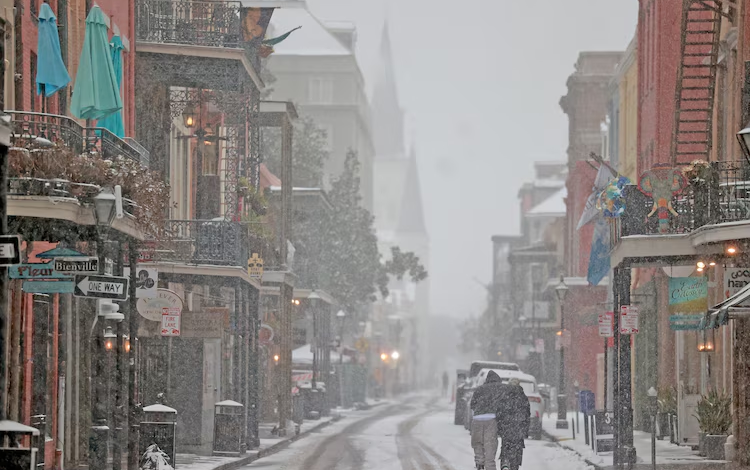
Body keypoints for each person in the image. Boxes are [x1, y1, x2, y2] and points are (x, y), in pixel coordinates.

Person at [469, 370, 504, 470]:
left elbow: (472, 405)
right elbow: (502, 406)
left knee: (478, 443)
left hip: (477, 420)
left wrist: (479, 411)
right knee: (490, 446)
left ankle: (479, 464)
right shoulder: (499, 389)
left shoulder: (479, 389)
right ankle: (490, 467)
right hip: (491, 420)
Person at [496, 378, 530, 470]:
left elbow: (499, 413)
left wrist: (499, 427)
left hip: (506, 428)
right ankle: (514, 466)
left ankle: (505, 463)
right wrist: (525, 430)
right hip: (519, 429)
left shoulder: (504, 396)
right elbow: (527, 415)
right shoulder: (523, 397)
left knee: (505, 448)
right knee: (517, 450)